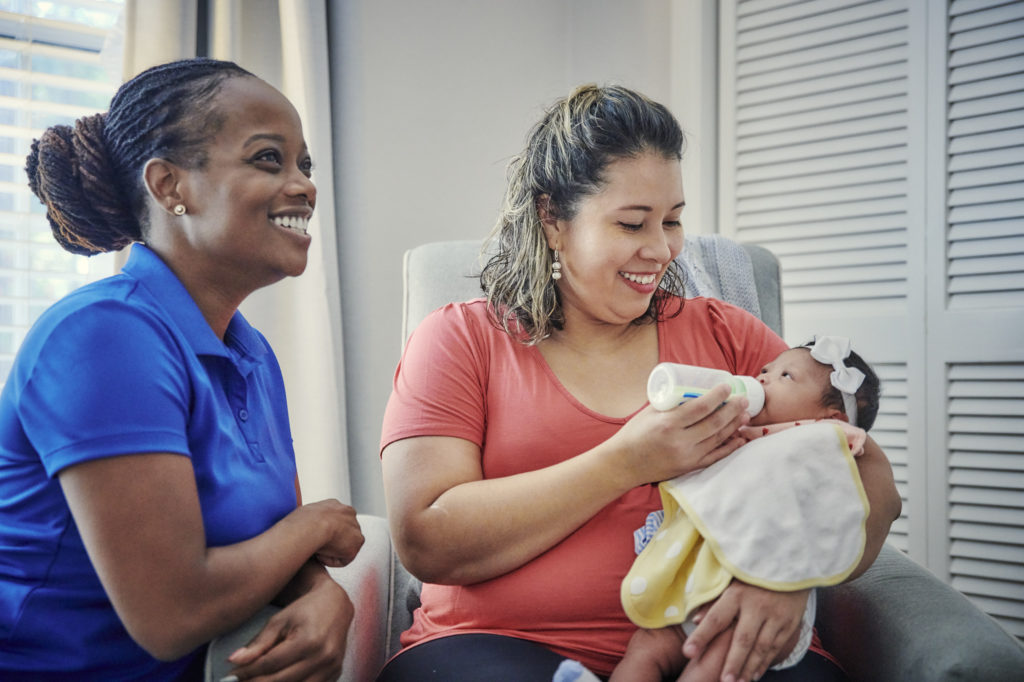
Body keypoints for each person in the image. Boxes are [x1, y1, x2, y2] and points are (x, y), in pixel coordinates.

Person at [378, 84, 901, 682]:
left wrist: (787, 577)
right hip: (500, 643)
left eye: (673, 221)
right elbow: (426, 538)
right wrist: (626, 461)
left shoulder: (727, 335)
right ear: (552, 219)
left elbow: (869, 482)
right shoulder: (461, 340)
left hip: (713, 638)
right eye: (632, 223)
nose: (661, 249)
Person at [0, 58, 364, 681]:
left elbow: (267, 535)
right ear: (170, 186)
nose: (304, 185)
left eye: (305, 164)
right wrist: (314, 525)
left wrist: (321, 592)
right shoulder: (103, 336)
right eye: (268, 159)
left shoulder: (250, 352)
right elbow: (171, 613)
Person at [612, 338, 881, 682]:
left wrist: (835, 437)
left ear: (831, 417)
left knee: (715, 664)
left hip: (753, 602)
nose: (764, 377)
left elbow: (835, 506)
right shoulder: (737, 432)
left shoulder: (821, 444)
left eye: (786, 376)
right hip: (692, 590)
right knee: (644, 649)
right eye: (766, 370)